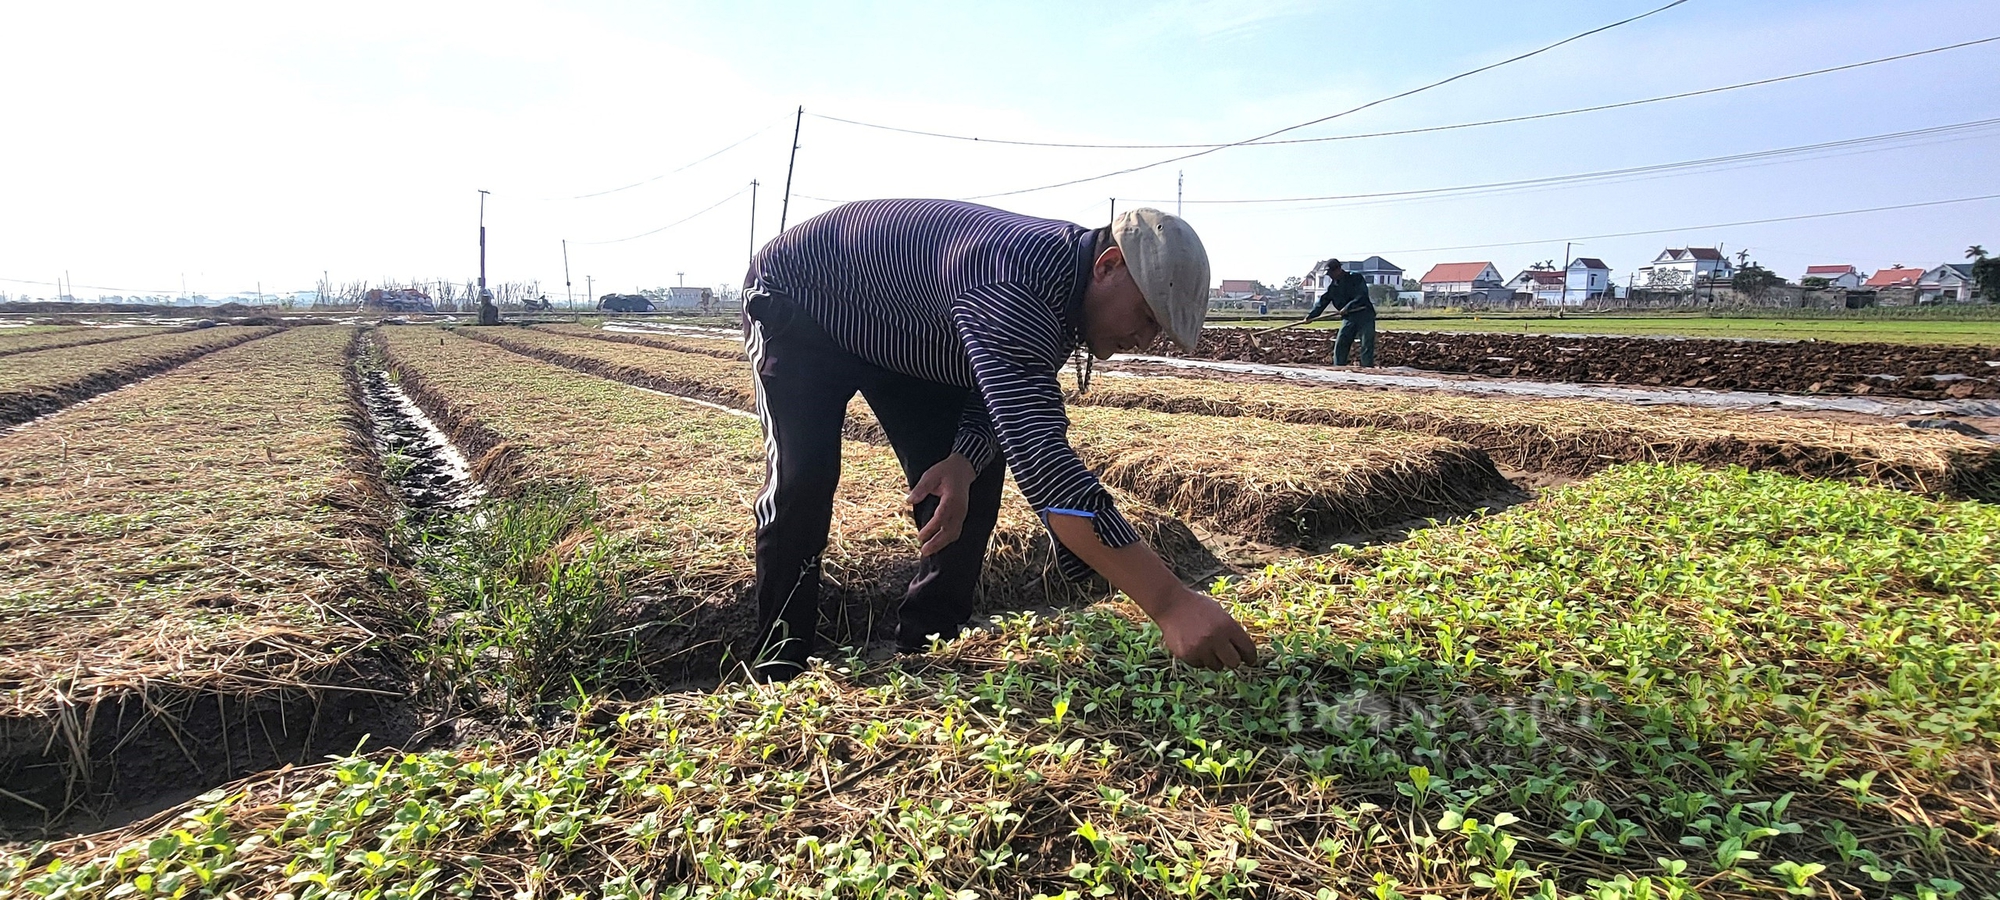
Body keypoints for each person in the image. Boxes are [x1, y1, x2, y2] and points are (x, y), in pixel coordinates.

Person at [740, 199, 1258, 682]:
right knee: (802, 479)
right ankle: (777, 665)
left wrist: (963, 462)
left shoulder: (1064, 299)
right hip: (802, 306)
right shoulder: (1015, 282)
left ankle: (928, 653)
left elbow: (1002, 397)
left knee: (971, 480)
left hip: (911, 332)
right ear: (1109, 265)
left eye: (1158, 333)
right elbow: (1043, 459)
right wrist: (1169, 602)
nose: (1143, 342)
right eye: (1146, 317)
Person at [1303, 258, 1375, 366]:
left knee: (1366, 344)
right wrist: (1311, 316)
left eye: (1331, 273)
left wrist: (1348, 307)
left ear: (1338, 269)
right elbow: (1323, 302)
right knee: (1341, 343)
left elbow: (1362, 295)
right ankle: (1338, 368)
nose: (1330, 276)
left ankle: (1367, 369)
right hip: (1349, 318)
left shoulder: (1355, 278)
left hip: (1364, 315)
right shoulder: (1333, 287)